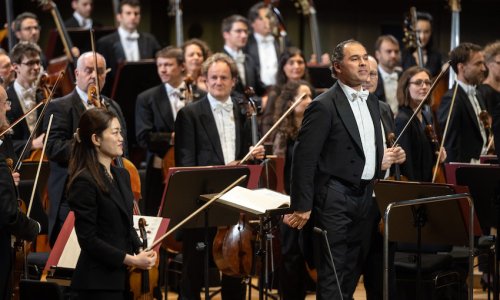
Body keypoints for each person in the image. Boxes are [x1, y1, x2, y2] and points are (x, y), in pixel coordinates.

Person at [287, 39, 384, 299]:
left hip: (366, 197)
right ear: (337, 67)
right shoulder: (323, 105)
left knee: (352, 270)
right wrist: (302, 205)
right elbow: (304, 158)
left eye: (365, 57)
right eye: (355, 59)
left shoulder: (373, 102)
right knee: (333, 272)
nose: (363, 63)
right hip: (335, 198)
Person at [175, 52, 265, 300]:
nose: (218, 82)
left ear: (233, 80)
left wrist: (254, 153)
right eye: (213, 77)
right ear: (204, 79)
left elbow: (248, 156)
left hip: (235, 200)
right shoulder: (189, 114)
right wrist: (226, 168)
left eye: (224, 77)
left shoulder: (243, 111)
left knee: (234, 266)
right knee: (194, 269)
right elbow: (187, 165)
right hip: (202, 201)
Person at [66, 108, 156, 299]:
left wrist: (141, 249)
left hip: (122, 279)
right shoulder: (84, 181)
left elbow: (126, 224)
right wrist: (131, 259)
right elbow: (88, 240)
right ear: (96, 139)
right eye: (114, 133)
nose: (121, 138)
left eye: (120, 132)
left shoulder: (122, 175)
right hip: (96, 283)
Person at [43, 51, 128, 245]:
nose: (94, 76)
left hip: (109, 194)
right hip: (72, 194)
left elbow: (124, 146)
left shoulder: (112, 106)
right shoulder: (60, 106)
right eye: (88, 70)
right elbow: (53, 148)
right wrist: (90, 142)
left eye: (99, 72)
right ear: (77, 73)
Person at [136, 46, 204, 216]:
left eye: (168, 65)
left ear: (182, 66)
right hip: (159, 169)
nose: (163, 70)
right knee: (158, 215)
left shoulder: (201, 95)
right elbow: (143, 137)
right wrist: (174, 137)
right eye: (160, 65)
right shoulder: (146, 98)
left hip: (196, 166)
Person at [361, 55, 405, 300]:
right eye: (365, 72)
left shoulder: (384, 108)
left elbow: (389, 143)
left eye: (374, 74)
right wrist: (378, 163)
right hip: (358, 201)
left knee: (381, 275)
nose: (369, 78)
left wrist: (398, 155)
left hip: (383, 201)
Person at [271, 79, 314, 299]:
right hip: (288, 203)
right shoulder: (282, 133)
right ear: (290, 101)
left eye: (310, 96)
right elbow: (279, 174)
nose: (309, 101)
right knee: (290, 254)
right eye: (303, 96)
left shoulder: (313, 129)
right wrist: (285, 207)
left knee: (307, 254)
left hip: (310, 201)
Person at [0, 84, 40, 300]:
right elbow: (7, 213)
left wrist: (9, 178)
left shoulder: (3, 139)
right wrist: (33, 227)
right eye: (4, 103)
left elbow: (12, 165)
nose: (7, 108)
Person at [438, 43, 487, 163]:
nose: (483, 68)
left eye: (483, 63)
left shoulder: (478, 94)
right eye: (478, 63)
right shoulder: (451, 99)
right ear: (461, 67)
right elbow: (450, 144)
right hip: (464, 170)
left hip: (480, 165)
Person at [395, 66, 447, 181]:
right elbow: (406, 164)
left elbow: (426, 154)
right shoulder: (403, 119)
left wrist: (438, 156)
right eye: (418, 83)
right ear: (406, 87)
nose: (424, 87)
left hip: (429, 180)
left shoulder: (427, 116)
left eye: (428, 83)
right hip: (415, 186)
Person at [97, 0, 160, 94]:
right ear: (119, 16)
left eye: (136, 13)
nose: (133, 17)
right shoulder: (105, 43)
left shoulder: (150, 40)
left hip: (145, 93)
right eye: (128, 13)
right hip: (116, 95)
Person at [6, 42, 45, 156]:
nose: (37, 67)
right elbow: (3, 143)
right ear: (15, 67)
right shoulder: (5, 100)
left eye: (38, 62)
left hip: (41, 160)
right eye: (30, 63)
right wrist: (32, 144)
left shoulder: (42, 97)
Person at [261, 47, 308, 139]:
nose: (296, 66)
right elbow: (267, 125)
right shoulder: (275, 93)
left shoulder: (309, 90)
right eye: (291, 63)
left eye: (300, 62)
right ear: (283, 66)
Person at [222, 14, 265, 96]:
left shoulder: (249, 60)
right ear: (226, 34)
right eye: (238, 31)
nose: (244, 35)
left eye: (246, 31)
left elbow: (259, 88)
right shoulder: (218, 61)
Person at [245, 2, 280, 87]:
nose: (267, 21)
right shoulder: (245, 44)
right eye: (261, 19)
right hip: (257, 93)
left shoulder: (281, 40)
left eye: (268, 17)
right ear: (252, 23)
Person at [401, 12, 442, 77]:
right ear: (412, 32)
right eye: (418, 31)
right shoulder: (403, 55)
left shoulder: (437, 56)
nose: (422, 37)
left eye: (426, 32)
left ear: (431, 32)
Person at [374, 35, 401, 114]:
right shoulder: (369, 78)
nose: (393, 55)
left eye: (396, 51)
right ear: (377, 54)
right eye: (389, 51)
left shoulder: (403, 76)